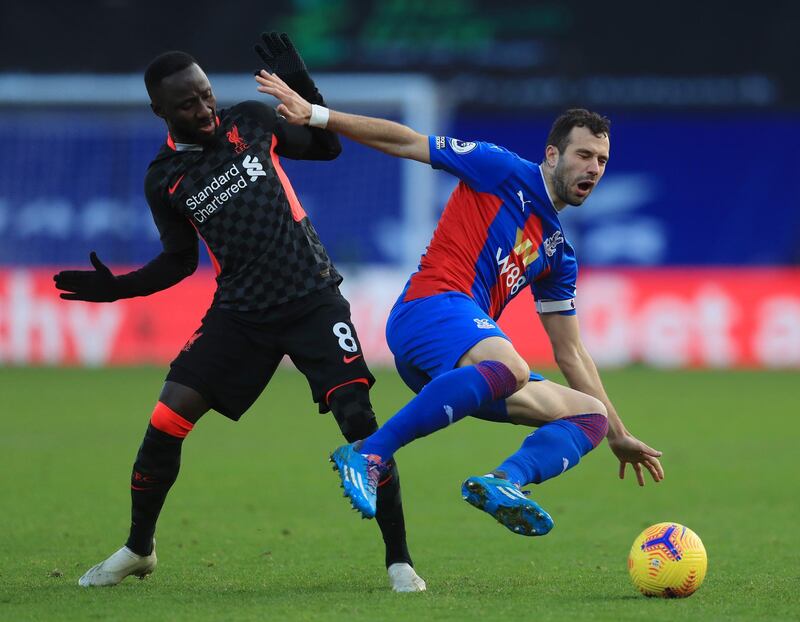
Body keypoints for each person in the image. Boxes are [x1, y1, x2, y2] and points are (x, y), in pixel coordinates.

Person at [53, 33, 425, 592]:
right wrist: (120, 289)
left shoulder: (249, 121)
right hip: (242, 313)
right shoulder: (165, 179)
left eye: (205, 95)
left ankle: (400, 561)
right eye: (187, 104)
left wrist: (301, 83)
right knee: (167, 418)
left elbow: (327, 149)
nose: (203, 110)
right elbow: (179, 263)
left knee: (359, 421)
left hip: (311, 296)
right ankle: (138, 548)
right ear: (160, 111)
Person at [255, 70, 665, 537]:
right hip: (428, 308)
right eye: (584, 154)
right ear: (553, 155)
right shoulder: (500, 168)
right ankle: (368, 453)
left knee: (587, 413)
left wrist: (618, 433)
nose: (594, 167)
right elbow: (408, 141)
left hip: (467, 364)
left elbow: (571, 351)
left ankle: (505, 482)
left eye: (603, 160)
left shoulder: (558, 252)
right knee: (509, 365)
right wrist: (317, 115)